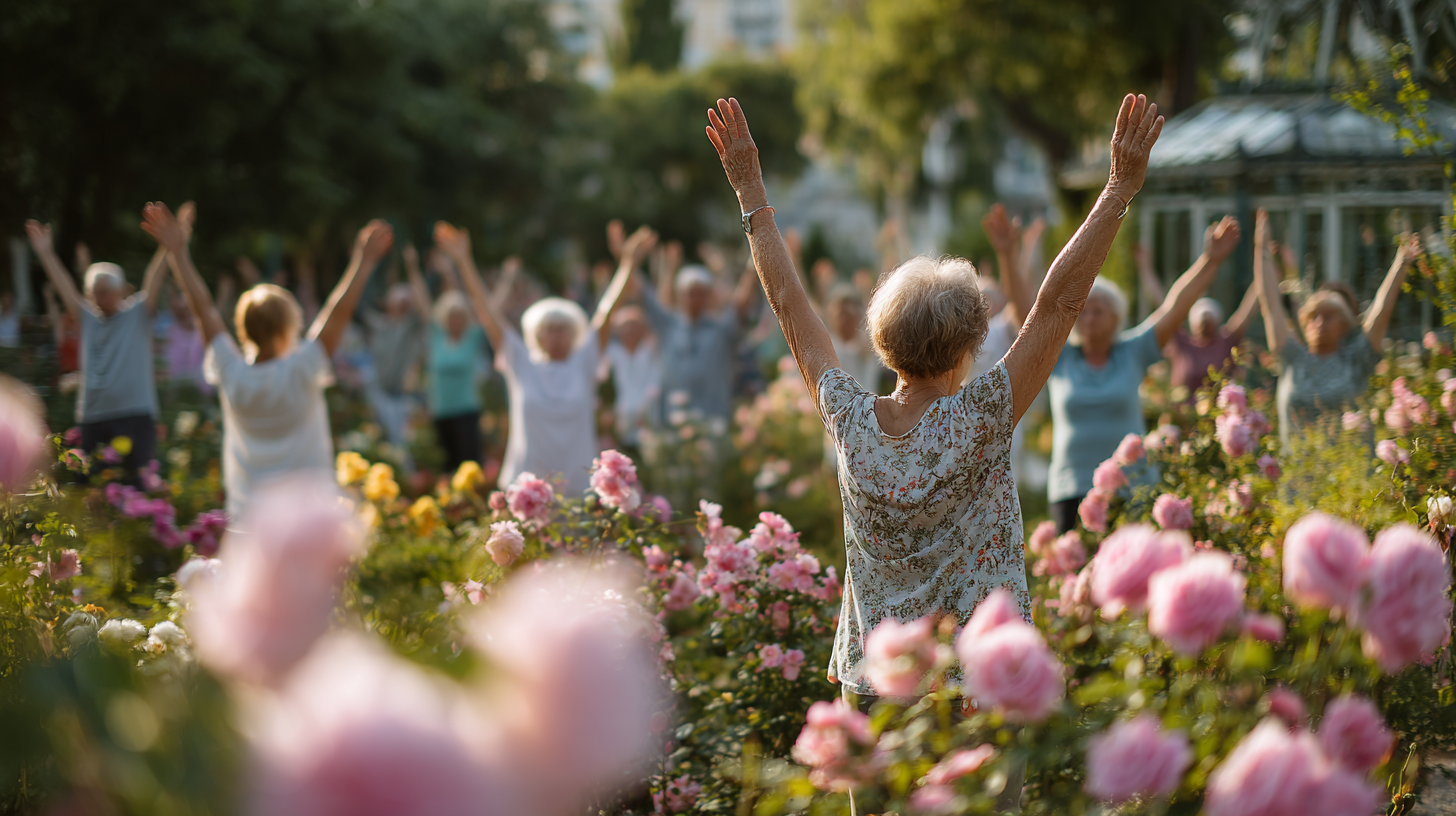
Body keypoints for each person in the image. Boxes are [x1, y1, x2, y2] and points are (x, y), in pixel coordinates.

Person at [706, 93, 1164, 812]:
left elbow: (793, 310)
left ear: (882, 340)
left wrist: (751, 193)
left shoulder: (850, 422)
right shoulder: (984, 415)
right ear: (971, 344)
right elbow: (1057, 308)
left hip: (880, 685)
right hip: (983, 678)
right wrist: (1117, 189)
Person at [142, 202, 392, 519]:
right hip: (308, 519)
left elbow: (202, 308)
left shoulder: (233, 374)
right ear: (289, 326)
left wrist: (178, 253)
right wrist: (363, 261)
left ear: (244, 327)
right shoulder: (302, 368)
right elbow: (338, 313)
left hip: (250, 524)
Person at [1047, 215, 1241, 533]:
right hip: (1071, 489)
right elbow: (1028, 310)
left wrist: (1209, 260)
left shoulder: (1132, 351)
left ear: (1115, 318)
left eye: (1099, 311)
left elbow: (1174, 308)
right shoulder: (1060, 356)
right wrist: (1010, 254)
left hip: (1132, 486)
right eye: (1083, 311)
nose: (1090, 318)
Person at [434, 220, 654, 495]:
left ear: (574, 333)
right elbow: (488, 313)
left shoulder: (584, 361)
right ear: (537, 335)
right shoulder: (520, 361)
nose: (556, 336)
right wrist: (465, 262)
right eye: (549, 330)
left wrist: (628, 264)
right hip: (528, 492)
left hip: (578, 492)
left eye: (562, 329)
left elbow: (606, 313)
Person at [26, 207, 185, 475]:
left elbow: (153, 278)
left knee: (135, 486)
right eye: (95, 293)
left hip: (135, 415)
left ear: (121, 291)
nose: (100, 298)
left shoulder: (137, 313)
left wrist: (168, 247)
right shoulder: (88, 319)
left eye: (106, 292)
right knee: (92, 494)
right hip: (94, 416)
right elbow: (66, 288)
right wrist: (45, 253)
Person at [1254, 209, 1416, 444]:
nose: (1319, 323)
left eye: (1329, 316)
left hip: (1350, 478)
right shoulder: (1293, 358)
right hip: (1298, 479)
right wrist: (1262, 249)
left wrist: (1402, 262)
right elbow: (1270, 303)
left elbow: (1381, 312)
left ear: (1345, 324)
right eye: (1313, 317)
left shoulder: (1356, 359)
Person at [638, 258, 758, 425]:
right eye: (689, 293)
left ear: (708, 296)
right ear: (680, 295)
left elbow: (741, 306)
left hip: (713, 423)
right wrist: (629, 262)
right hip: (672, 423)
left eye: (700, 293)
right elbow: (645, 295)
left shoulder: (722, 330)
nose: (694, 298)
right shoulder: (667, 326)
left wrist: (753, 267)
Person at [1137, 246, 1259, 403]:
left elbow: (1247, 309)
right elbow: (1164, 305)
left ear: (1218, 322)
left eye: (1209, 317)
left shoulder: (1227, 342)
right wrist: (1145, 267)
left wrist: (1265, 269)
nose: (1205, 323)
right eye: (1202, 318)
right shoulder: (1182, 344)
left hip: (1220, 422)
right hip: (1183, 420)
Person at [360, 245, 430, 474]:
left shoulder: (411, 326)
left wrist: (412, 268)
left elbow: (422, 307)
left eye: (406, 302)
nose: (402, 305)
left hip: (401, 399)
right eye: (398, 300)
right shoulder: (378, 324)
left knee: (403, 454)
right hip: (376, 397)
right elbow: (359, 304)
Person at [602, 305, 660, 449]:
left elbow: (657, 383)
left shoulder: (653, 352)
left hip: (650, 422)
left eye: (634, 325)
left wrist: (645, 409)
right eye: (625, 326)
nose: (630, 330)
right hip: (620, 424)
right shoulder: (611, 355)